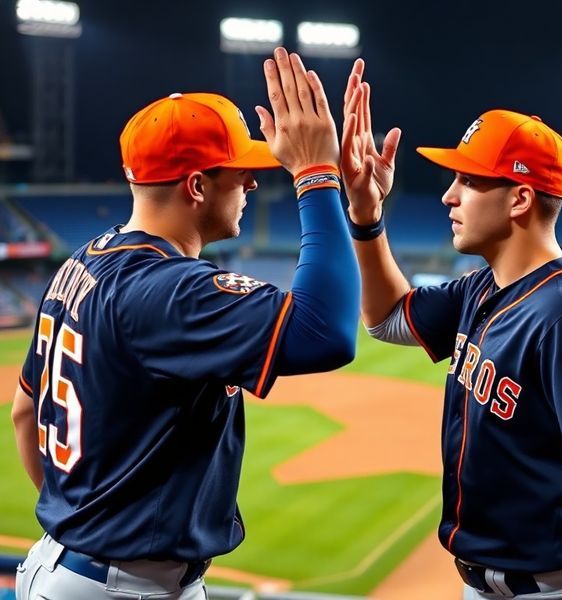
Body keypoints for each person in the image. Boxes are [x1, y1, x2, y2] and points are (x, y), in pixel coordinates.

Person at [12, 47, 359, 600]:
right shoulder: (169, 290)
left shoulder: (81, 262)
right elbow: (326, 332)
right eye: (239, 173)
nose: (251, 185)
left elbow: (24, 409)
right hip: (124, 587)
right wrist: (317, 176)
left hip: (64, 564)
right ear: (196, 186)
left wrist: (80, 524)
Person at [340, 60, 562, 600]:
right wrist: (366, 213)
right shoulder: (481, 288)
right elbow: (388, 319)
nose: (448, 196)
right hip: (486, 587)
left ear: (519, 198)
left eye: (468, 181)